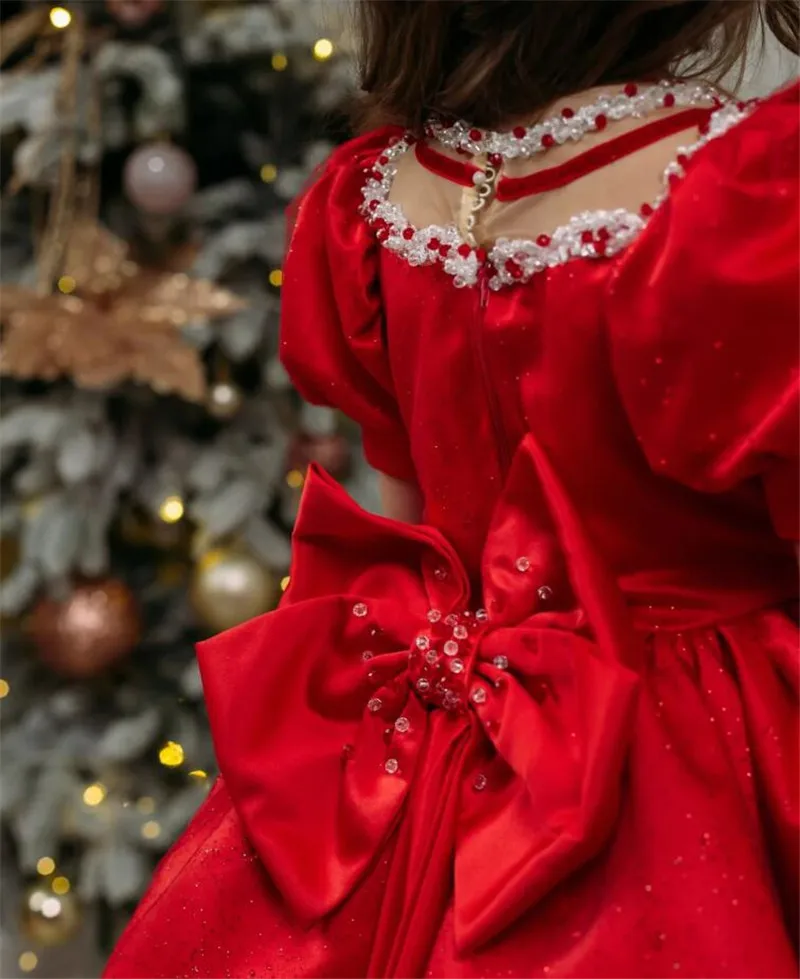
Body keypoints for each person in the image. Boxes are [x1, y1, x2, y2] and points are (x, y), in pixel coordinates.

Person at [104, 2, 799, 976]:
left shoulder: (375, 196)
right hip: (695, 731)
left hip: (430, 721)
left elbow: (398, 536)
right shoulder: (741, 194)